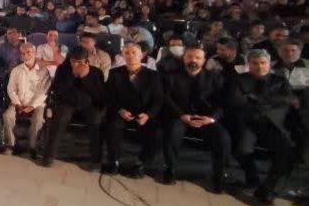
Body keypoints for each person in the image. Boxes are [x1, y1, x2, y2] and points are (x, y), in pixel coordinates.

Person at [227, 49, 297, 206]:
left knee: (286, 150)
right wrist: (268, 102)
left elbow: (287, 99)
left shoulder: (279, 81)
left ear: (269, 63)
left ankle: (267, 188)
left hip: (272, 124)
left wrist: (256, 100)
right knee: (242, 150)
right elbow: (236, 102)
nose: (259, 66)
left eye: (263, 63)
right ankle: (253, 179)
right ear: (248, 64)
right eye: (255, 63)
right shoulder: (239, 80)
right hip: (248, 123)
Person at [161, 44, 230, 191]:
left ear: (204, 60)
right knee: (172, 132)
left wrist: (211, 118)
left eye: (198, 58)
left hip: (206, 118)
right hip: (180, 116)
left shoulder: (214, 78)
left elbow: (222, 103)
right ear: (183, 58)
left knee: (223, 138)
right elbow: (166, 98)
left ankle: (219, 175)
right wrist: (181, 115)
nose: (193, 60)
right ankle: (170, 169)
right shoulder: (171, 75)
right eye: (190, 57)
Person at [104, 42, 165, 176]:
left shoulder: (153, 75)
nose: (130, 56)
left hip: (144, 113)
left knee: (155, 132)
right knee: (112, 126)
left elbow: (158, 100)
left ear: (141, 55)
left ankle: (141, 162)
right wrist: (120, 110)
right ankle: (114, 161)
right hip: (121, 111)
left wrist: (148, 115)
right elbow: (109, 96)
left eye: (134, 53)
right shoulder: (115, 73)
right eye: (127, 53)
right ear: (122, 55)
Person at [40, 46, 107, 168]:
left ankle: (95, 160)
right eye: (73, 61)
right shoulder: (62, 69)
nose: (76, 64)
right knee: (59, 120)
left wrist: (85, 77)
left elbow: (99, 95)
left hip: (88, 105)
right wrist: (73, 76)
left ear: (86, 61)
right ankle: (48, 156)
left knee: (96, 121)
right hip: (67, 103)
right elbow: (58, 90)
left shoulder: (96, 72)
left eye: (80, 62)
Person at [2, 42, 50, 157]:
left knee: (38, 119)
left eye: (28, 52)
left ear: (34, 53)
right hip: (18, 103)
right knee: (7, 116)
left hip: (37, 104)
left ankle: (33, 147)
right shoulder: (16, 70)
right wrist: (18, 104)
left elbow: (44, 91)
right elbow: (11, 89)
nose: (25, 55)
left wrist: (32, 106)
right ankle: (11, 144)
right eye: (23, 53)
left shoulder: (43, 71)